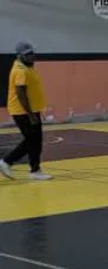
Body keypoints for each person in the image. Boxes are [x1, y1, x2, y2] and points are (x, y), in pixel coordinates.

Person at [0, 42, 50, 181]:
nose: (32, 56)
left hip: (32, 110)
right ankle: (6, 162)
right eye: (28, 54)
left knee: (36, 140)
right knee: (31, 140)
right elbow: (21, 93)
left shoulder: (28, 67)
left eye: (32, 53)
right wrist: (30, 114)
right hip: (22, 111)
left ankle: (35, 170)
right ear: (20, 56)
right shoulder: (21, 70)